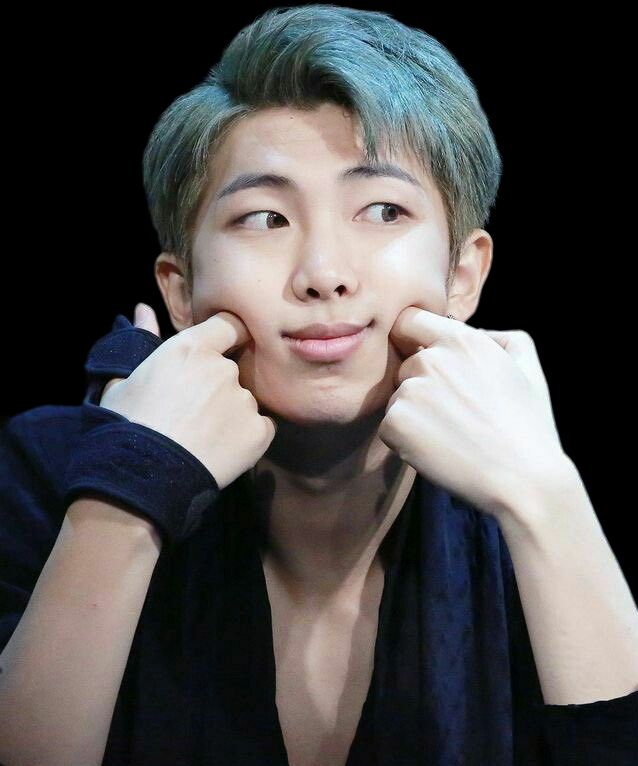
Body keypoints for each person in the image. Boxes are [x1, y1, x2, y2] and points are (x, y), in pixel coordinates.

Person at [1, 5, 636, 765]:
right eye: (265, 218)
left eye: (383, 210)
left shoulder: (543, 506)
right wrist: (129, 490)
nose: (324, 274)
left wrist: (545, 501)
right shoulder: (46, 471)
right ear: (180, 290)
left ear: (463, 274)